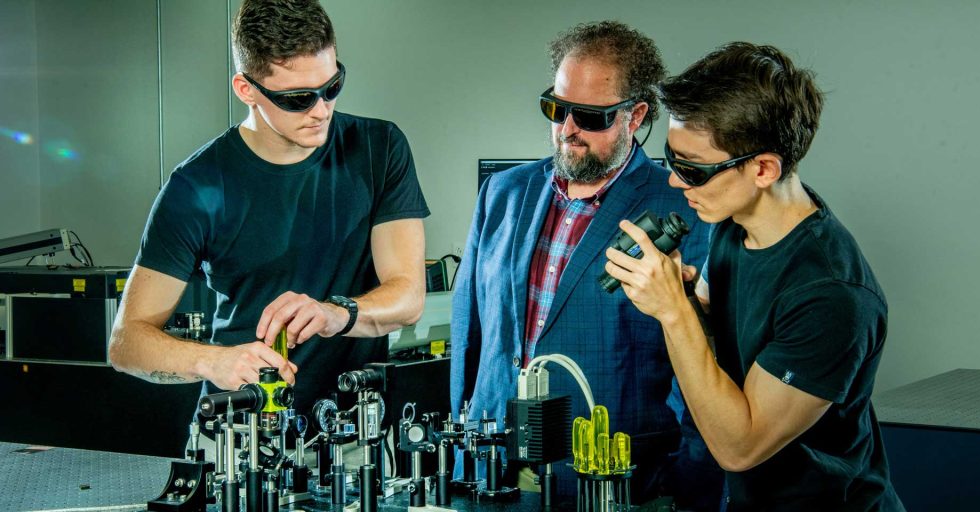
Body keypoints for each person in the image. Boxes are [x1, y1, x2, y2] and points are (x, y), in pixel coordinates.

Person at [604, 42, 904, 510]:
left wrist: (673, 312)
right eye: (671, 158)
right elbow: (716, 338)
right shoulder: (733, 222)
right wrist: (685, 296)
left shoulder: (831, 294)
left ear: (763, 169)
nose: (675, 181)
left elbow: (739, 447)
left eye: (692, 170)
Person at [108, 0, 429, 430]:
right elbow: (126, 343)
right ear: (246, 90)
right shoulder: (197, 185)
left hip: (353, 434)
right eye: (298, 99)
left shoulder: (378, 148)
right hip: (241, 435)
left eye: (332, 86)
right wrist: (214, 361)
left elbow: (408, 297)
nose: (321, 110)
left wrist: (336, 313)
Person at [450, 21, 721, 508]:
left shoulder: (686, 210)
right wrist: (461, 448)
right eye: (557, 109)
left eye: (591, 117)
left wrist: (691, 486)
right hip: (492, 466)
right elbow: (469, 333)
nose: (568, 129)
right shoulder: (503, 192)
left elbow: (702, 368)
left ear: (636, 116)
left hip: (611, 478)